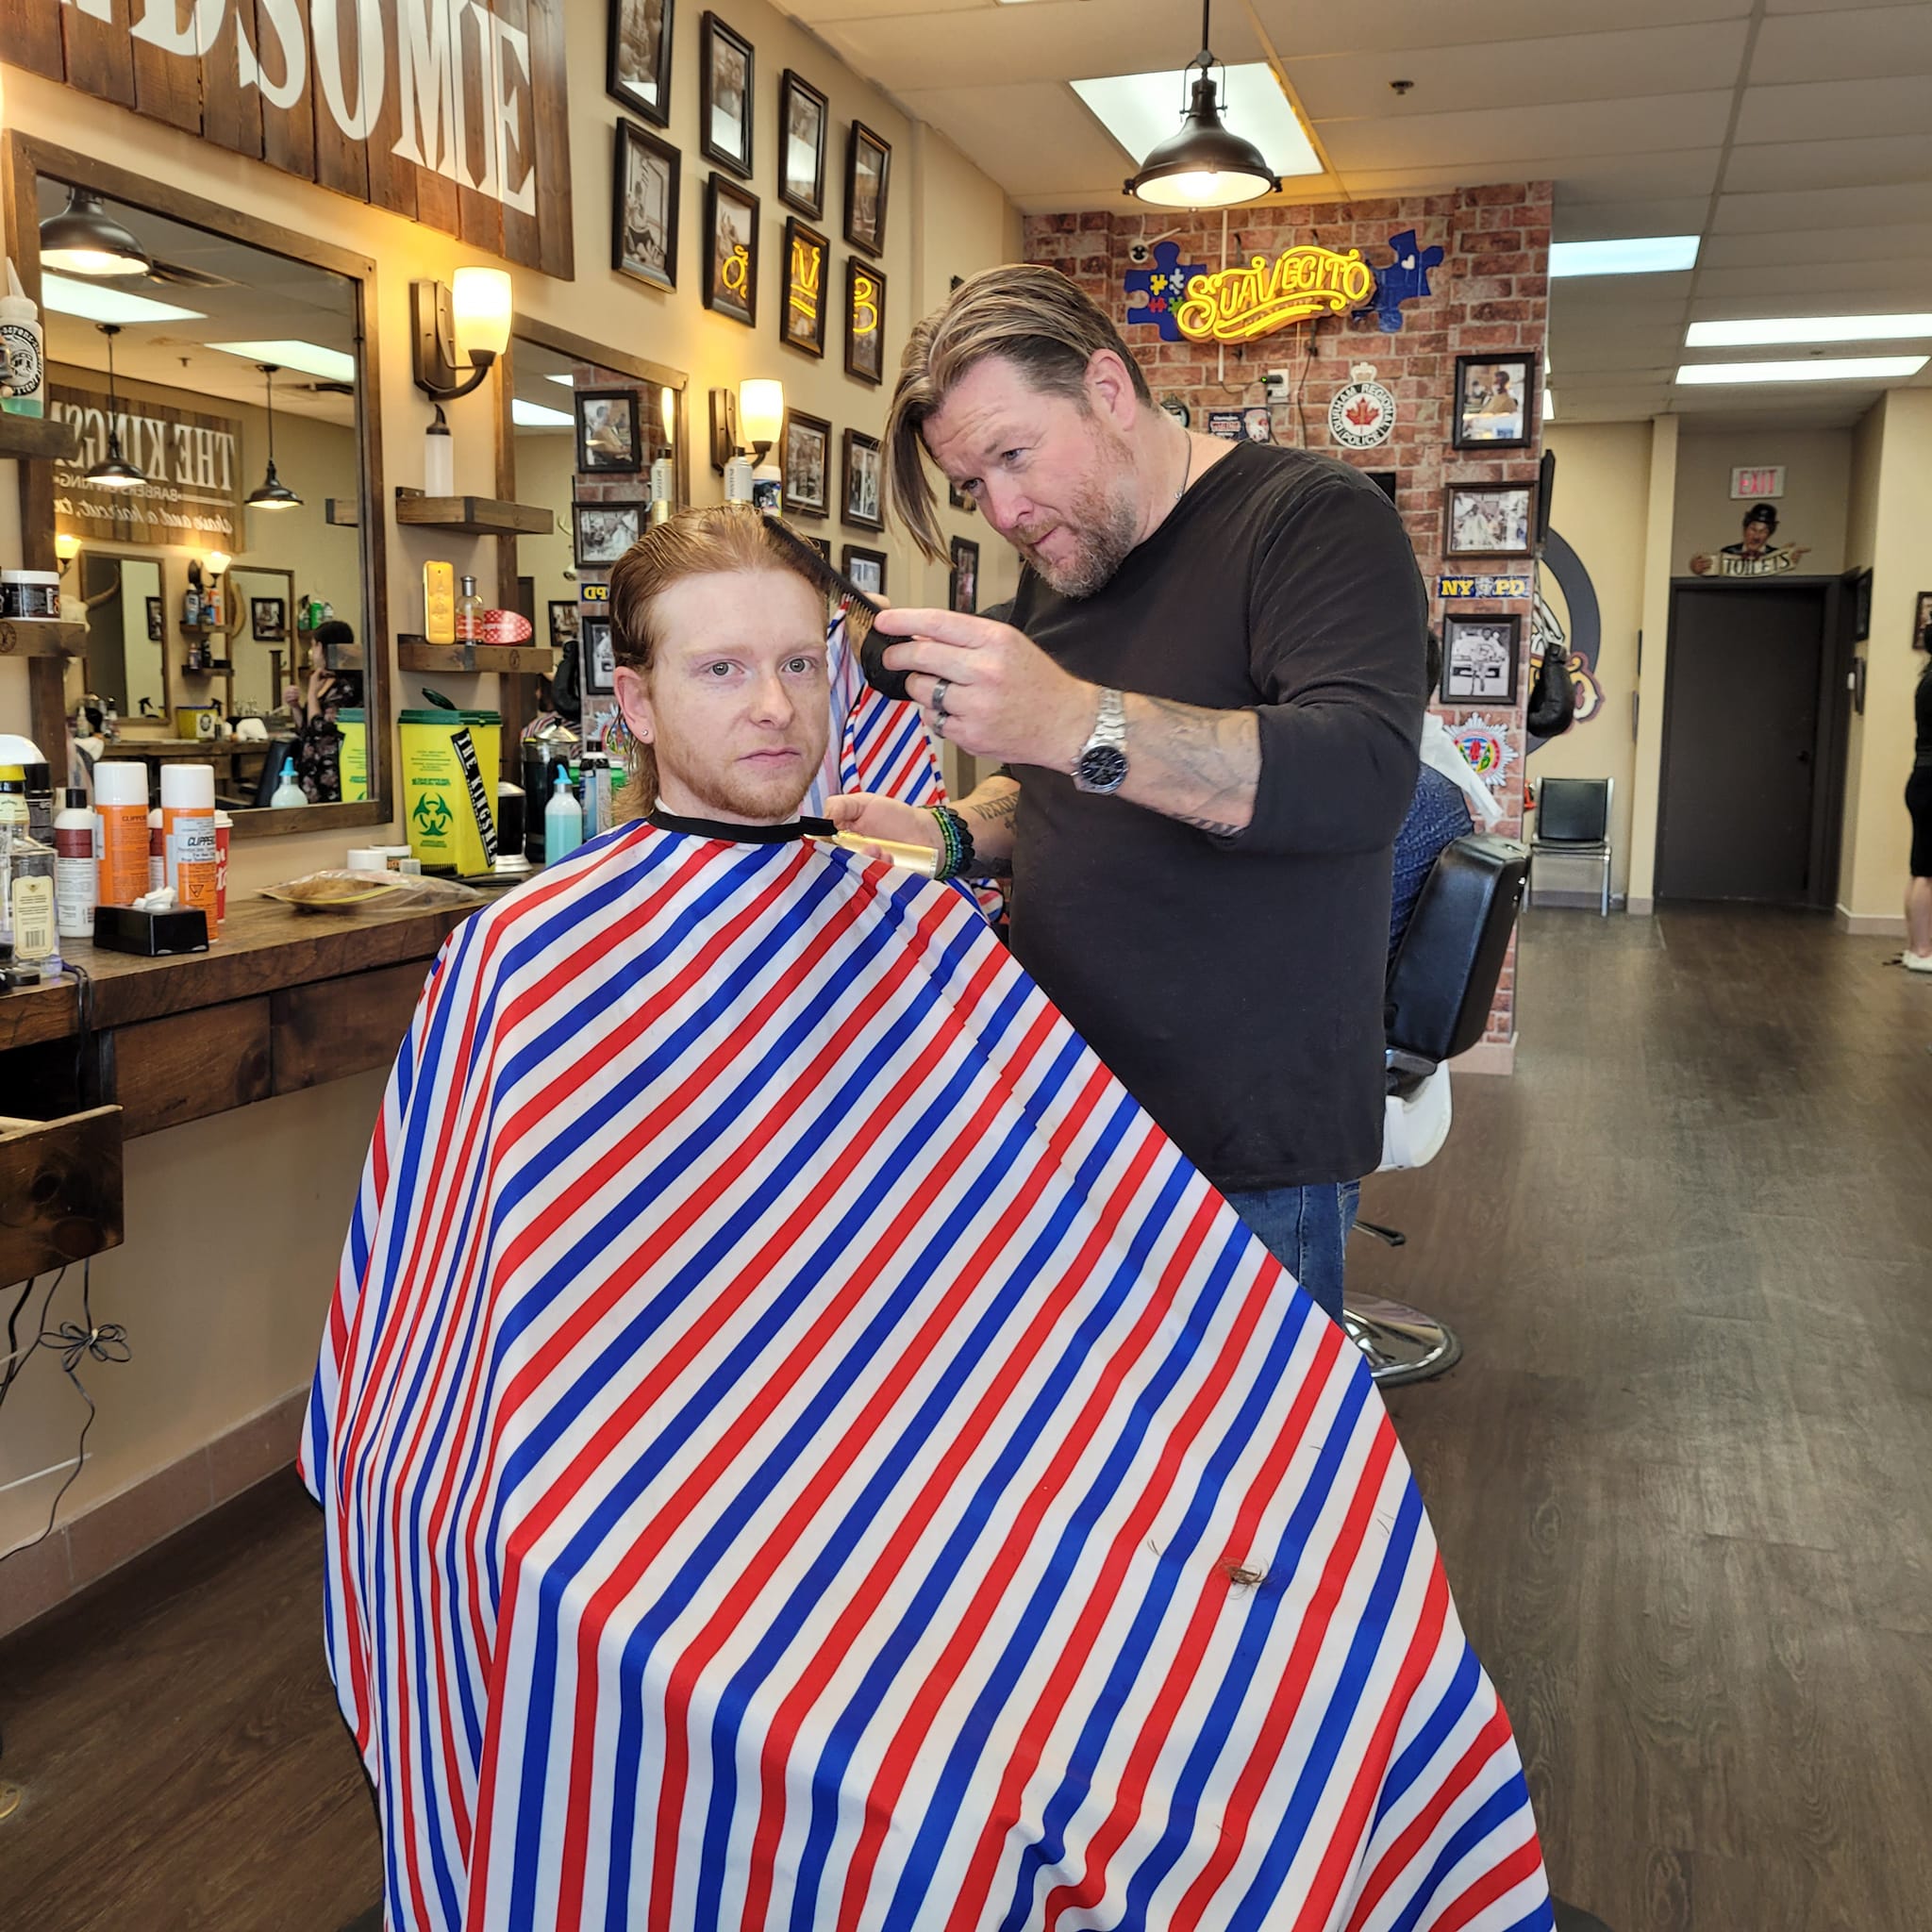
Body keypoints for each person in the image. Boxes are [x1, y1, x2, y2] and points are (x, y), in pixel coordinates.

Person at [300, 507, 1547, 1932]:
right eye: (720, 671)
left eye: (799, 663)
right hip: (662, 1477)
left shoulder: (908, 915)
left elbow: (1040, 1204)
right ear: (634, 702)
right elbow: (454, 1339)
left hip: (936, 1428)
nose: (775, 708)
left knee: (1307, 1488)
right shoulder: (525, 957)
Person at [828, 265, 1426, 1321]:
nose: (1004, 511)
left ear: (1106, 388)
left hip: (1243, 1146)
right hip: (1069, 1115)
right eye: (972, 487)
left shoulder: (1312, 520)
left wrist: (1068, 718)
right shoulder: (1066, 564)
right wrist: (941, 833)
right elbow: (1064, 787)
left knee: (1249, 1430)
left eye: (1013, 456)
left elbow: (1359, 776)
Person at [1907, 652, 1932, 972]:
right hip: (1930, 782)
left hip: (1922, 779)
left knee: (1920, 869)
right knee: (1927, 872)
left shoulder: (1926, 680)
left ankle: (1915, 947)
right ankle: (1924, 951)